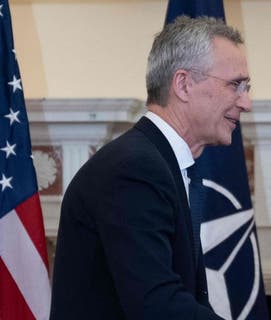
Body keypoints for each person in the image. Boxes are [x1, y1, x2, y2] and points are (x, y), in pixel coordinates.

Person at [50, 16, 251, 319]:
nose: (246, 102)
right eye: (236, 85)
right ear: (183, 84)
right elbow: (156, 304)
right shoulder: (134, 169)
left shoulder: (158, 162)